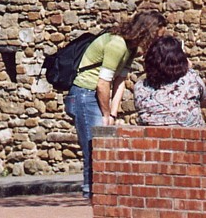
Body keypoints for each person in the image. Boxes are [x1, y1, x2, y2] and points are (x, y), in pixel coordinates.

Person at [65, 10, 166, 198]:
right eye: (157, 37)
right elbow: (103, 84)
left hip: (95, 98)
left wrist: (113, 114)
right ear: (148, 32)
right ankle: (91, 194)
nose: (157, 42)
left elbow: (120, 81)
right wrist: (105, 114)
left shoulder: (131, 48)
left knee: (102, 148)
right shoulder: (117, 45)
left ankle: (101, 197)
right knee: (93, 150)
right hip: (85, 95)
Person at [133, 36, 206, 127]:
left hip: (152, 138)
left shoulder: (140, 87)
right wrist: (187, 68)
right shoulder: (192, 78)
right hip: (191, 138)